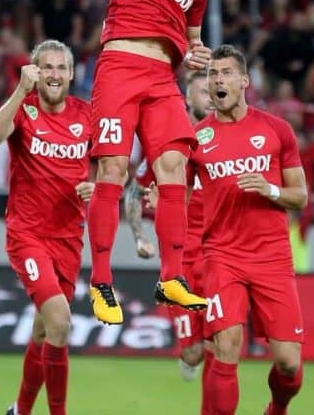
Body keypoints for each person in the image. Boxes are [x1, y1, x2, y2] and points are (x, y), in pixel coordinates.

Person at [75, 0, 211, 324]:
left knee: (175, 167)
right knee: (113, 168)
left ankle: (172, 278)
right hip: (120, 67)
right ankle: (101, 282)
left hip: (162, 80)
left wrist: (196, 55)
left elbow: (193, 44)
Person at [190, 46, 308, 415]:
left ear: (244, 81)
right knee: (226, 346)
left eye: (225, 73)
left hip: (272, 257)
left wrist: (269, 189)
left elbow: (300, 196)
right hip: (222, 256)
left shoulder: (276, 130)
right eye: (212, 74)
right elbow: (178, 193)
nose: (217, 80)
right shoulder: (196, 139)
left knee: (289, 364)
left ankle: (277, 409)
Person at [0, 40, 93, 415]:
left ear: (72, 74)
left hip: (69, 239)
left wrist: (99, 186)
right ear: (35, 72)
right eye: (47, 67)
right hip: (27, 236)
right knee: (60, 322)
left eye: (61, 67)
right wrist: (19, 91)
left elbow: (115, 166)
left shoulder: (87, 116)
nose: (54, 74)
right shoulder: (24, 110)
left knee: (44, 331)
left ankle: (20, 410)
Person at [126, 72, 215, 393]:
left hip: (219, 258)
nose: (210, 97)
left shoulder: (226, 140)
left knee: (222, 341)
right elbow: (133, 192)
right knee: (194, 352)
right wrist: (139, 236)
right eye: (202, 91)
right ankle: (190, 357)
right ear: (187, 99)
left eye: (212, 91)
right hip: (181, 263)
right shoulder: (168, 144)